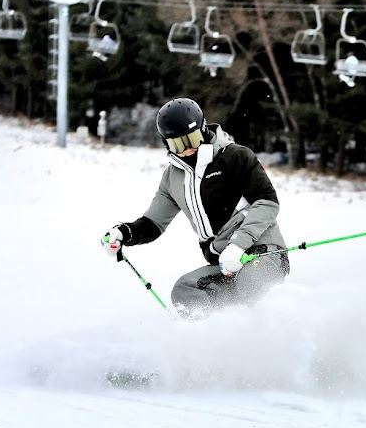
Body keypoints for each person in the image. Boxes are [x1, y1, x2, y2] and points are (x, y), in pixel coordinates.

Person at [101, 97, 289, 316]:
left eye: (192, 139)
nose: (187, 149)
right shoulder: (173, 177)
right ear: (166, 143)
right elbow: (153, 223)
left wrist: (238, 246)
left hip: (263, 253)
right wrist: (124, 233)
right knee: (184, 291)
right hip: (224, 263)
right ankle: (209, 340)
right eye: (177, 144)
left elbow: (267, 202)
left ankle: (267, 339)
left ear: (203, 129)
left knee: (250, 286)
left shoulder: (235, 156)